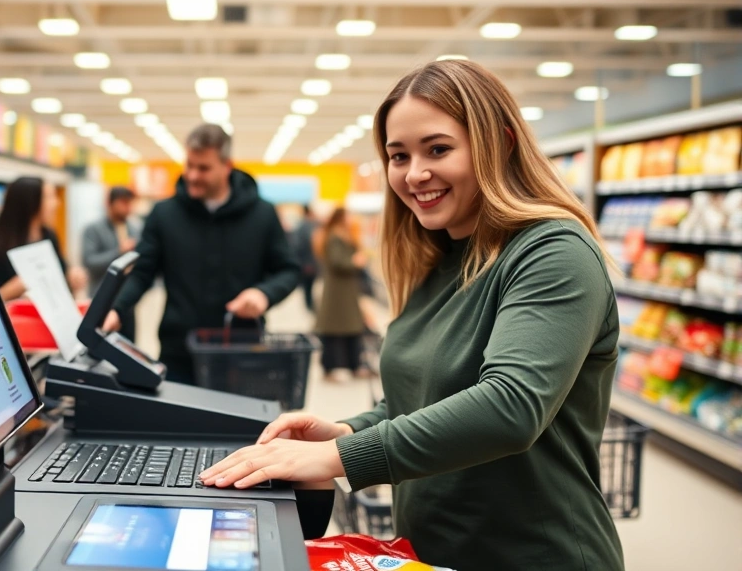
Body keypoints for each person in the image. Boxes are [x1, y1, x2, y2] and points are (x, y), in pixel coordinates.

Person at [199, 60, 624, 570]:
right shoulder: (439, 258)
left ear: (502, 144)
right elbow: (425, 395)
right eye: (397, 156)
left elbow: (511, 406)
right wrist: (346, 432)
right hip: (434, 550)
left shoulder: (553, 252)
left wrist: (339, 460)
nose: (414, 172)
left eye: (438, 149)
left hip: (535, 554)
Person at [102, 123, 300, 384]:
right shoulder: (164, 214)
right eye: (189, 165)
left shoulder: (262, 214)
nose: (193, 175)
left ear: (227, 166)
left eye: (203, 168)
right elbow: (141, 273)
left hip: (240, 351)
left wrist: (264, 294)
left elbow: (288, 270)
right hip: (179, 353)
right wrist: (115, 309)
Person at [0, 176, 86, 301]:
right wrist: (14, 288)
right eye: (49, 197)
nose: (56, 203)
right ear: (31, 202)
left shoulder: (49, 236)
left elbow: (62, 269)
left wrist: (71, 274)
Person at [83, 186, 142, 340]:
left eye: (129, 203)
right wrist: (119, 252)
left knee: (128, 347)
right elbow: (90, 262)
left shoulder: (134, 229)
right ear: (110, 203)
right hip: (101, 301)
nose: (127, 208)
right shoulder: (93, 229)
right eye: (123, 203)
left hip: (125, 302)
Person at [314, 208, 366, 381]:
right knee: (336, 327)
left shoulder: (340, 235)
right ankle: (333, 366)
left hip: (343, 289)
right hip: (339, 291)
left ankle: (352, 365)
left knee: (348, 327)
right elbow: (338, 261)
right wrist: (355, 261)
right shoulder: (335, 237)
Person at [290, 205, 319, 311]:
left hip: (307, 262)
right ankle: (309, 305)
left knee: (308, 286)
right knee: (308, 286)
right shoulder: (309, 227)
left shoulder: (302, 227)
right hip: (309, 262)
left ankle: (309, 304)